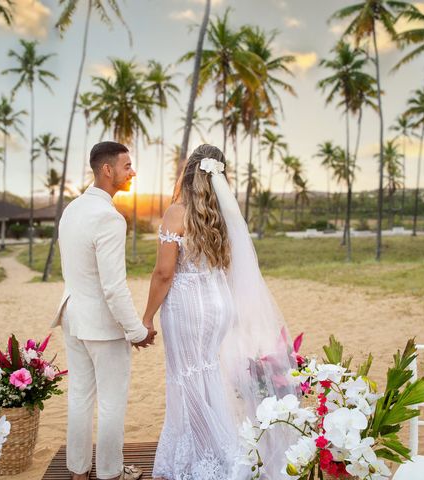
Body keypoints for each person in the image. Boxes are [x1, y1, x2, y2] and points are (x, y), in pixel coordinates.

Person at [143, 144, 297, 480]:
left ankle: (210, 458)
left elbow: (164, 273)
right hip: (218, 304)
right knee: (208, 373)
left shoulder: (176, 212)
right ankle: (217, 449)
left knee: (187, 379)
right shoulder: (222, 214)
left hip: (189, 308)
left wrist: (146, 317)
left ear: (187, 171)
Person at [51, 141, 156, 480]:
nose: (133, 171)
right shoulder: (109, 217)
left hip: (73, 316)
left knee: (79, 397)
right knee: (111, 403)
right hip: (102, 325)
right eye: (127, 166)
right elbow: (113, 287)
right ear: (108, 170)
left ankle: (78, 470)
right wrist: (136, 331)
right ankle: (110, 472)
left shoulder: (73, 209)